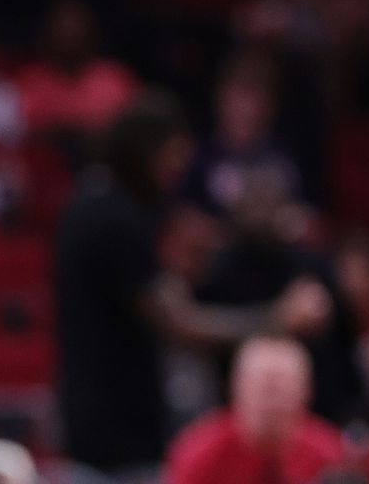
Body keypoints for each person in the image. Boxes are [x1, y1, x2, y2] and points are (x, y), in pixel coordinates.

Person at [52, 92, 330, 481]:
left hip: (99, 427)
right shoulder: (113, 219)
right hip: (115, 441)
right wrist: (277, 318)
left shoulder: (93, 204)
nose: (177, 172)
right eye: (172, 157)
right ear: (146, 150)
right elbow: (181, 323)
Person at [164, 337, 345, 484]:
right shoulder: (199, 454)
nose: (274, 402)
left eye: (283, 388)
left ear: (307, 391)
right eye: (265, 388)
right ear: (235, 388)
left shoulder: (329, 454)